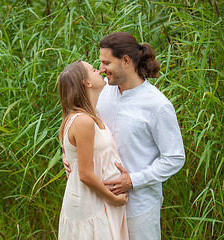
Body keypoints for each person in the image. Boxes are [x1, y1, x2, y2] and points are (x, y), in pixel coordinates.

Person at [63, 32, 185, 240]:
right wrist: (69, 155)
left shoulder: (158, 105)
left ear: (126, 61)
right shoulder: (101, 93)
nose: (101, 69)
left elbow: (174, 158)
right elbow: (76, 125)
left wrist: (134, 180)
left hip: (139, 207)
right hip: (101, 205)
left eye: (106, 62)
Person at [57, 60, 129, 240]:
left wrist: (67, 156)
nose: (100, 70)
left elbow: (73, 150)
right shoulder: (83, 120)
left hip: (98, 202)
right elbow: (85, 174)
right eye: (93, 70)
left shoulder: (91, 114)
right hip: (91, 204)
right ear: (86, 83)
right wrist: (113, 199)